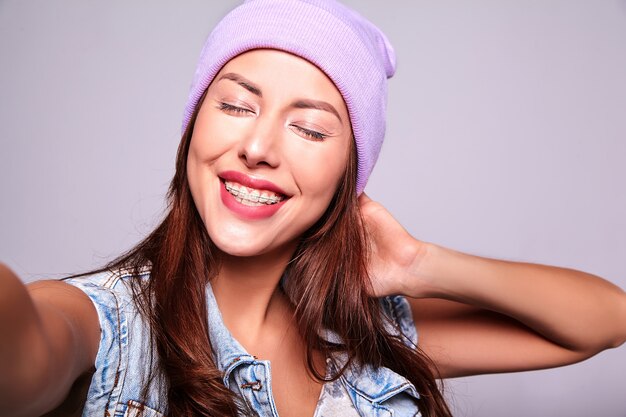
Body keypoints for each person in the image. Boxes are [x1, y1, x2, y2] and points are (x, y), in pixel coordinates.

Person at [1, 1, 625, 416]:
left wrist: (421, 264)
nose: (256, 147)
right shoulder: (104, 324)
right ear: (194, 126)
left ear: (349, 177)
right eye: (237, 106)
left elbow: (606, 320)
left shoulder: (368, 336)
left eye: (310, 129)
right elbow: (24, 350)